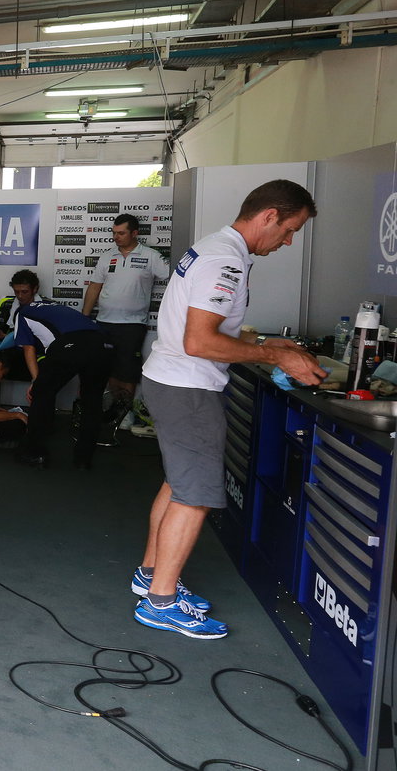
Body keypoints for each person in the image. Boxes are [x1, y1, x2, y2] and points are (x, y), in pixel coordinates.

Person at [132, 180, 324, 640]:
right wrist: (277, 357)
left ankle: (150, 576)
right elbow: (199, 341)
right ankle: (160, 602)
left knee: (179, 484)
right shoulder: (226, 259)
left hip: (169, 378)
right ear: (269, 216)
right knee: (194, 495)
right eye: (291, 229)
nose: (288, 241)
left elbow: (200, 330)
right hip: (189, 388)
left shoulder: (215, 247)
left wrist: (262, 343)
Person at [7, 269, 114, 470]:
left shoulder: (23, 313)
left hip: (73, 344)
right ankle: (83, 460)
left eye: (24, 292)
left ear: (34, 290)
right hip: (103, 344)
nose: (20, 297)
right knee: (92, 402)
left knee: (42, 393)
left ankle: (34, 453)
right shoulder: (54, 306)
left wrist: (35, 381)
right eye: (17, 292)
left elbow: (28, 349)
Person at [81, 213, 171, 444]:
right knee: (110, 368)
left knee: (128, 370)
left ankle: (126, 413)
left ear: (134, 233)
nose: (116, 237)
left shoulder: (151, 256)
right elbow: (94, 288)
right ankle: (115, 408)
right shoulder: (107, 256)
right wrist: (84, 318)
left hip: (132, 324)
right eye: (113, 232)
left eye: (121, 233)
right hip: (104, 321)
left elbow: (175, 279)